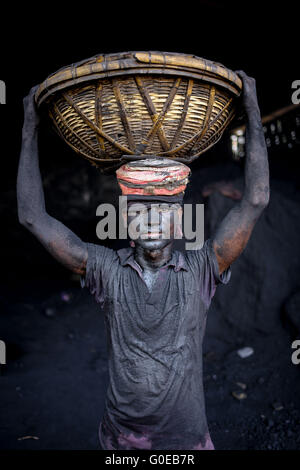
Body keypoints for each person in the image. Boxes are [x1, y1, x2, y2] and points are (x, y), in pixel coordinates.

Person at [17, 71, 269, 450]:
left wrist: (251, 106)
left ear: (181, 219)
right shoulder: (106, 269)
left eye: (164, 207)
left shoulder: (201, 269)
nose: (151, 217)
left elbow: (255, 199)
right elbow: (32, 217)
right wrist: (29, 129)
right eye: (139, 208)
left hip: (187, 441)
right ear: (126, 220)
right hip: (120, 440)